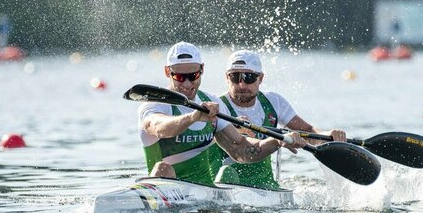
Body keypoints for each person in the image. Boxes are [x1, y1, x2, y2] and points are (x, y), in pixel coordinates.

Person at [138, 42, 306, 186]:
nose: (187, 83)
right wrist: (193, 117)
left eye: (193, 76)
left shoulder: (212, 103)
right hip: (167, 192)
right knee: (163, 168)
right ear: (168, 72)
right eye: (179, 77)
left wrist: (277, 141)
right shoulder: (155, 104)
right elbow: (158, 127)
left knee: (227, 173)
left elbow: (241, 149)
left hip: (206, 198)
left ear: (202, 70)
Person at [215, 50, 347, 190]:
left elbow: (307, 131)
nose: (241, 85)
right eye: (235, 77)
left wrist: (326, 136)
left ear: (260, 78)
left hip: (266, 187)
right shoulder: (218, 107)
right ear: (226, 78)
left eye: (249, 77)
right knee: (227, 173)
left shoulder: (274, 102)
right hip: (225, 183)